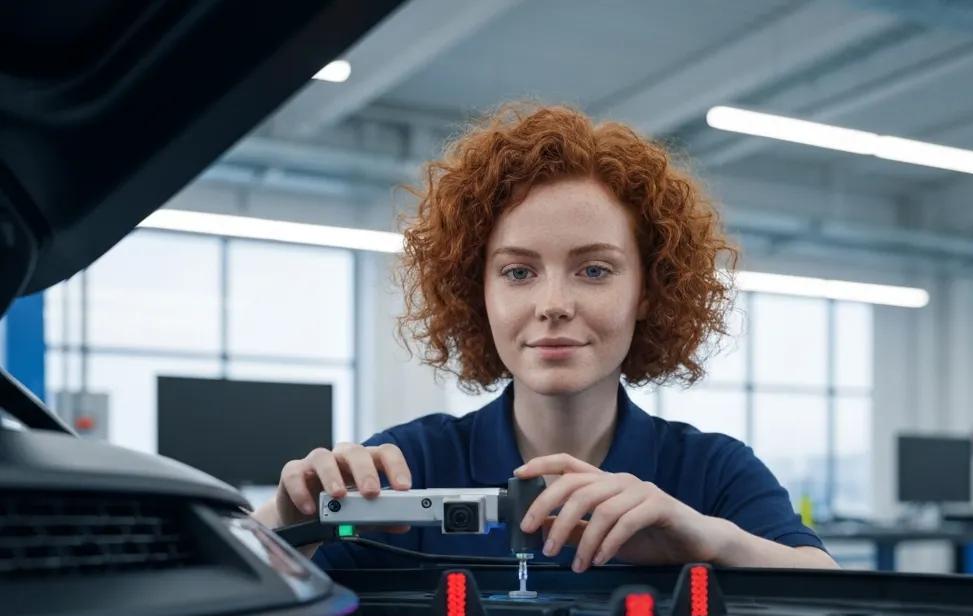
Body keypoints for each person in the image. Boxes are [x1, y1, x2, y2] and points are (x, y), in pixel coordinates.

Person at [253, 104, 837, 572]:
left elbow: (832, 586)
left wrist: (707, 540)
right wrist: (289, 517)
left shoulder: (713, 471)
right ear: (475, 290)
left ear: (650, 291)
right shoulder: (411, 467)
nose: (553, 304)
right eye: (517, 272)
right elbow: (238, 582)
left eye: (595, 270)